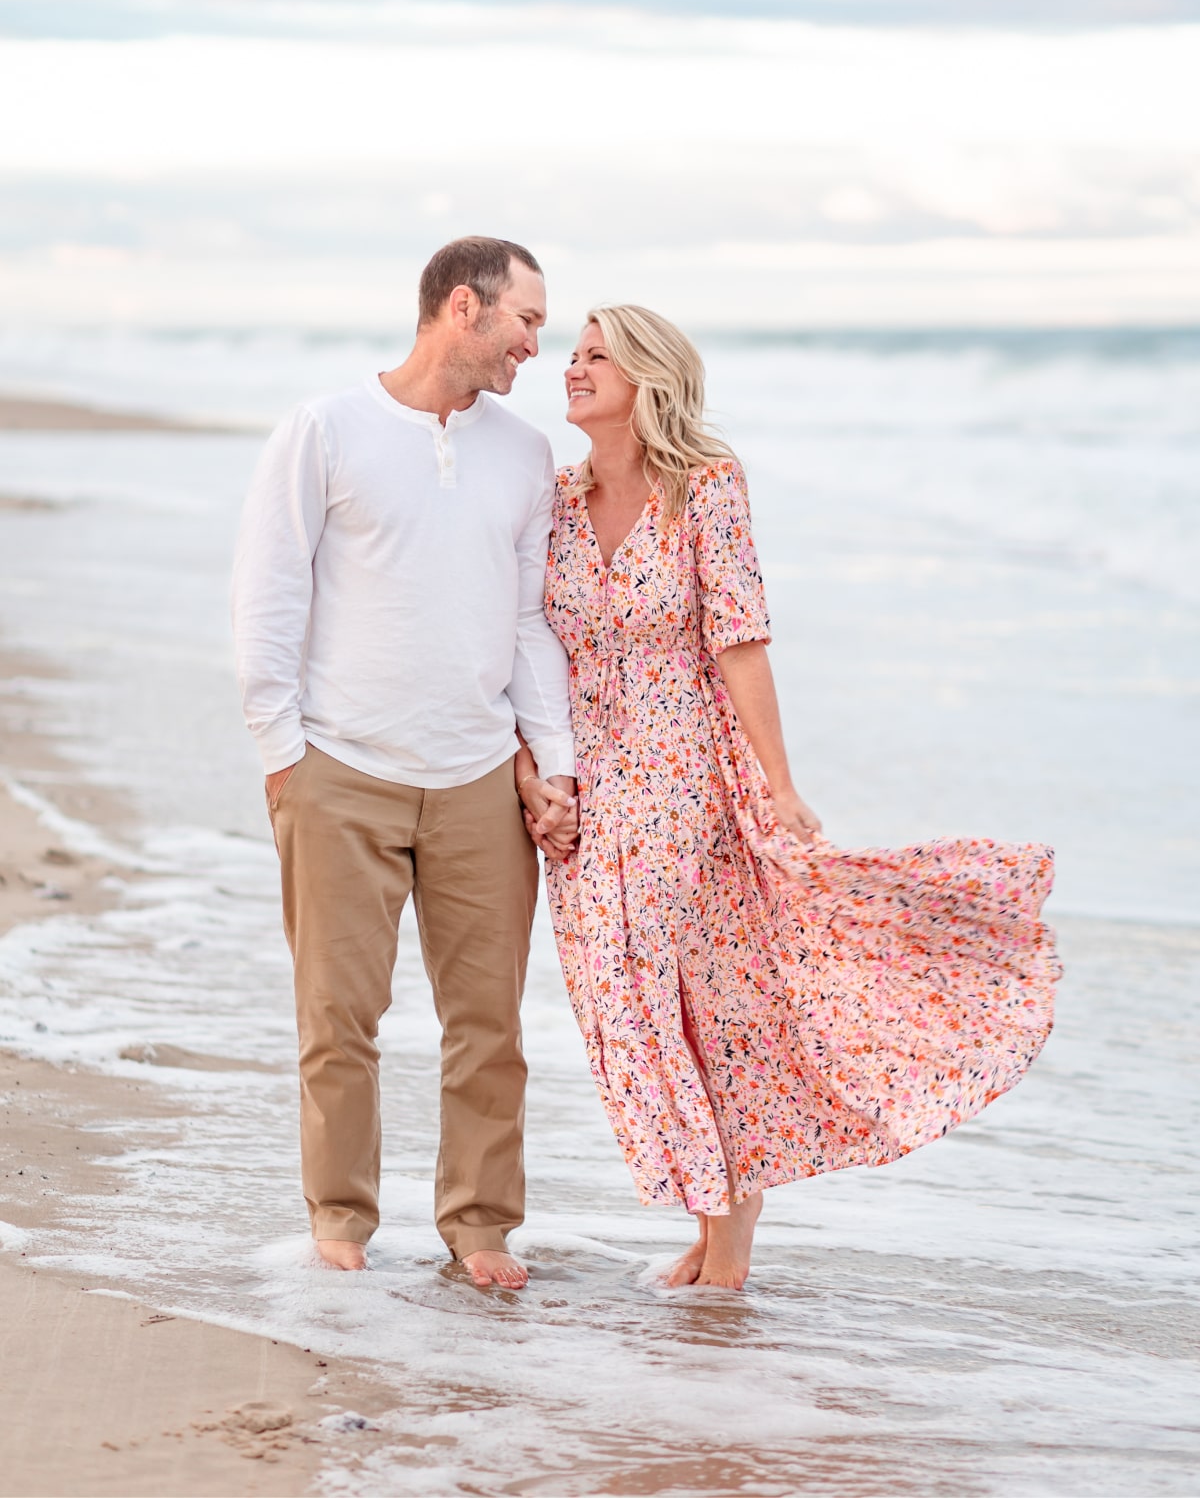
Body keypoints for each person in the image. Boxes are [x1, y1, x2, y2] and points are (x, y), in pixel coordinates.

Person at [516, 305, 1059, 1291]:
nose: (573, 367)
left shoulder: (705, 487)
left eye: (598, 355)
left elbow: (739, 639)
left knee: (700, 1007)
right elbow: (524, 646)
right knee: (629, 1010)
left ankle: (726, 1242)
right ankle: (711, 1219)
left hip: (686, 784)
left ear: (650, 377)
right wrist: (532, 770)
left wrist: (780, 782)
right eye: (575, 353)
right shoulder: (553, 498)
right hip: (581, 799)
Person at [231, 237, 578, 1289]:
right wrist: (283, 752)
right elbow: (269, 594)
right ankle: (340, 1220)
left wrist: (550, 761)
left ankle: (480, 1229)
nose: (536, 344)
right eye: (526, 320)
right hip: (339, 768)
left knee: (490, 1026)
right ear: (463, 309)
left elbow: (527, 622)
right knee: (338, 1018)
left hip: (479, 778)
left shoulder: (523, 452)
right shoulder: (325, 430)